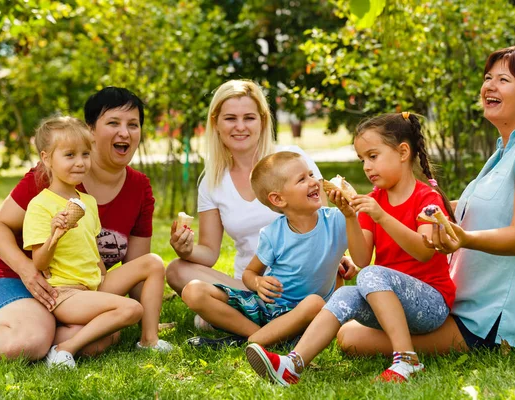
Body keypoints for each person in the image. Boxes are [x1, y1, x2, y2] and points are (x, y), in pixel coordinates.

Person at [336, 45, 515, 356]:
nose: (489, 85)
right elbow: (470, 208)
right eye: (488, 77)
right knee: (352, 318)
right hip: (461, 303)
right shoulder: (505, 152)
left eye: (503, 80)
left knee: (352, 338)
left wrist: (462, 238)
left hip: (492, 320)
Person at [245, 112, 456, 385]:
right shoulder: (372, 201)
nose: (367, 167)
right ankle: (292, 364)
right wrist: (349, 216)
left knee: (371, 275)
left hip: (431, 304)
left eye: (373, 156)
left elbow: (425, 251)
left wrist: (382, 217)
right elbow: (361, 258)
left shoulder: (426, 198)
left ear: (403, 152)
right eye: (362, 159)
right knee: (346, 293)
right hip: (390, 304)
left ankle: (407, 360)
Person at [0, 87, 170, 360]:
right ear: (90, 131)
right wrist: (28, 272)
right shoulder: (53, 175)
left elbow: (135, 269)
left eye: (133, 125)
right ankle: (28, 330)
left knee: (101, 338)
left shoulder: (139, 187)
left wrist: (142, 317)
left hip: (79, 287)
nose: (124, 133)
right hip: (15, 278)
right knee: (30, 340)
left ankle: (48, 336)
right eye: (113, 123)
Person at [165, 79, 356, 329]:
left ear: (263, 121)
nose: (240, 127)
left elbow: (321, 214)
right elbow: (209, 252)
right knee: (176, 270)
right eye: (231, 118)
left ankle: (237, 318)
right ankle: (264, 322)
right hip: (252, 284)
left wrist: (342, 254)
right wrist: (185, 249)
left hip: (303, 280)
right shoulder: (211, 181)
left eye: (249, 118)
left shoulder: (292, 159)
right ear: (216, 123)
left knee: (205, 319)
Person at [181, 151, 356, 348]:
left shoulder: (338, 219)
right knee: (193, 291)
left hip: (307, 314)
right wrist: (258, 283)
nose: (314, 181)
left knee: (314, 302)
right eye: (302, 179)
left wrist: (351, 218)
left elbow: (360, 252)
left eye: (311, 175)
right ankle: (264, 336)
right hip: (268, 308)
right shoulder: (273, 234)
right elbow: (250, 273)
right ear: (278, 199)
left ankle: (246, 341)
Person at [23, 115, 158, 367]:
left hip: (92, 286)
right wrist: (55, 233)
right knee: (131, 309)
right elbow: (40, 263)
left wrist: (105, 282)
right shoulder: (40, 205)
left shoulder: (88, 202)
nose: (80, 163)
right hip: (65, 294)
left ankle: (150, 340)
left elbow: (94, 254)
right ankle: (64, 348)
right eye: (70, 155)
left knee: (153, 262)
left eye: (85, 154)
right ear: (46, 158)